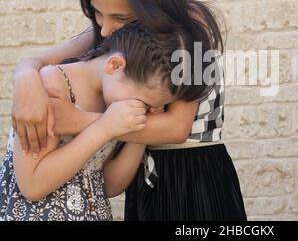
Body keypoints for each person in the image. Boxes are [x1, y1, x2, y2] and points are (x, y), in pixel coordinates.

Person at [11, 0, 247, 221]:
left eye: (120, 18)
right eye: (97, 13)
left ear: (153, 5)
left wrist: (77, 120)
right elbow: (35, 61)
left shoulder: (192, 30)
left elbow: (176, 128)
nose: (106, 29)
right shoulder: (121, 29)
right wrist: (26, 83)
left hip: (192, 172)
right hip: (141, 169)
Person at [1, 21, 179, 220]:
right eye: (144, 102)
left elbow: (108, 185)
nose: (143, 110)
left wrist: (140, 130)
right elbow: (31, 185)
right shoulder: (53, 84)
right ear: (115, 65)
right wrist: (103, 128)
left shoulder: (111, 98)